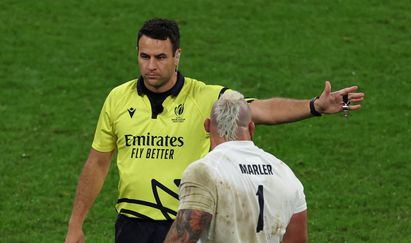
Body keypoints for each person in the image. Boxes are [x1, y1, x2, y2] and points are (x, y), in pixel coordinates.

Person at [65, 18, 364, 243]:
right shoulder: (117, 98)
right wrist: (76, 223)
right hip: (131, 224)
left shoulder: (205, 96)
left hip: (186, 222)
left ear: (177, 56)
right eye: (145, 57)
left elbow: (261, 110)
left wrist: (314, 106)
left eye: (160, 57)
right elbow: (98, 162)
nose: (151, 66)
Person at [164, 91, 307, 243]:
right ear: (251, 128)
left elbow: (181, 239)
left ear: (206, 126)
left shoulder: (204, 171)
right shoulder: (285, 172)